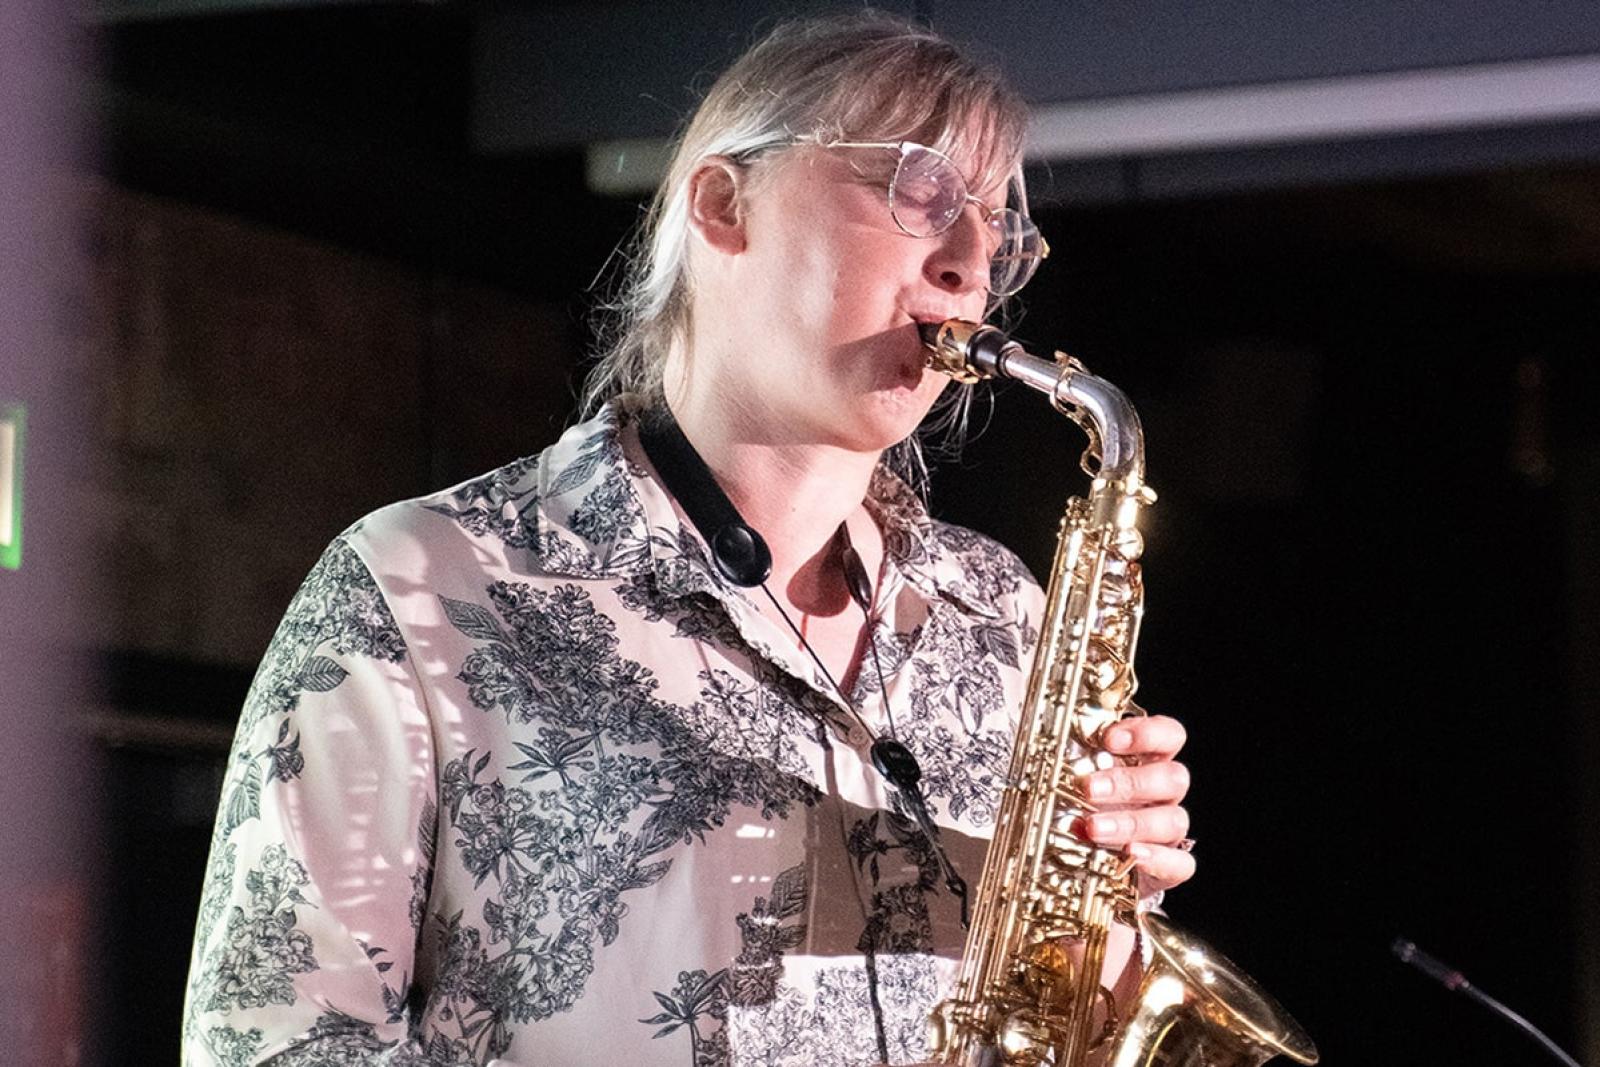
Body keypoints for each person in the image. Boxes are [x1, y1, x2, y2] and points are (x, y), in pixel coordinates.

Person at [182, 12, 1194, 1066]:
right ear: (723, 205)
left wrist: (1103, 932)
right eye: (918, 190)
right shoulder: (419, 584)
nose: (970, 263)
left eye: (995, 226)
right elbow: (271, 1043)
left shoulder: (1004, 612)